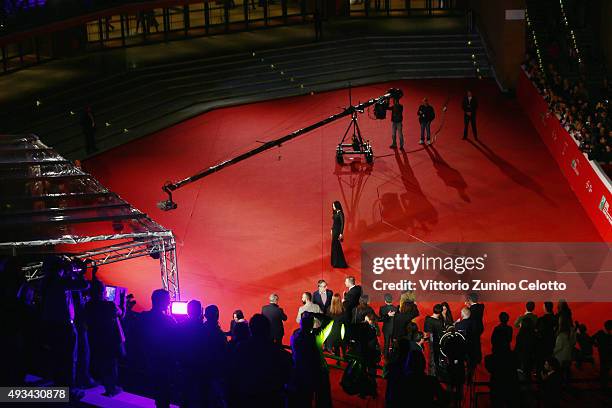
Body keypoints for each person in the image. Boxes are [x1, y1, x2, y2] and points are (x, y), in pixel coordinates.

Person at [40, 257, 89, 398]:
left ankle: (58, 388)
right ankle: (69, 391)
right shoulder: (60, 281)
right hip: (64, 325)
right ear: (60, 268)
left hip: (50, 324)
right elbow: (84, 285)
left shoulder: (46, 282)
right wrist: (78, 272)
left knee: (56, 357)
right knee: (69, 359)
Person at [228, 314, 293, 408]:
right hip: (272, 400)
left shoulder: (241, 349)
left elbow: (232, 377)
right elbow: (288, 377)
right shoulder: (280, 353)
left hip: (247, 400)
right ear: (268, 329)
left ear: (250, 329)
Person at [85, 279, 125, 397]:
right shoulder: (109, 305)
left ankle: (107, 386)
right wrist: (122, 300)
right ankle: (111, 389)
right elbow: (121, 314)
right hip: (110, 339)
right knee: (112, 363)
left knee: (102, 362)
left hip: (95, 337)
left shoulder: (88, 305)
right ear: (102, 291)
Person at [139, 289, 176, 408]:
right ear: (162, 302)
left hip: (149, 360)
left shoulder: (143, 317)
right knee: (164, 393)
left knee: (158, 392)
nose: (169, 302)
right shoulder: (169, 321)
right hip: (164, 362)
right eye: (168, 300)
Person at [290, 312, 332, 407]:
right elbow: (329, 320)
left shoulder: (294, 336)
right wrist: (315, 314)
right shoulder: (317, 336)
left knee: (304, 399)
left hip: (301, 372)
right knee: (322, 399)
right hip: (318, 371)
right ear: (312, 325)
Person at [484, 339, 520, 408]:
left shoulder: (490, 359)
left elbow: (489, 367)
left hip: (497, 388)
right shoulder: (514, 357)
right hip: (511, 387)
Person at [424, 304, 445, 376]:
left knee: (431, 357)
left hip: (428, 340)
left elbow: (425, 330)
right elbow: (441, 334)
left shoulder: (427, 318)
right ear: (440, 312)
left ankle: (431, 373)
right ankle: (433, 374)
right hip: (435, 340)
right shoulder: (439, 322)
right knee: (434, 357)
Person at [536, 301, 557, 372]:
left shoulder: (542, 320)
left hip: (543, 344)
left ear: (545, 308)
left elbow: (538, 332)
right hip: (553, 343)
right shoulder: (556, 318)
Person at [593, 320, 611, 390]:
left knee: (604, 368)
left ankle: (603, 384)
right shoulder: (608, 335)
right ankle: (604, 385)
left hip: (602, 353)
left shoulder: (600, 333)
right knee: (605, 369)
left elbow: (591, 339)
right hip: (606, 354)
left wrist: (597, 345)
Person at [378, 293, 397, 358]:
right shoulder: (396, 308)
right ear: (392, 300)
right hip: (394, 329)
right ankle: (393, 355)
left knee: (386, 343)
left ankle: (385, 356)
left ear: (385, 301)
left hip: (386, 329)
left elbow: (381, 318)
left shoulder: (382, 308)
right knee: (394, 343)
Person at [331, 201, 348, 268]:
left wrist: (341, 233)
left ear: (337, 206)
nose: (333, 207)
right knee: (335, 246)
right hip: (334, 231)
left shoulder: (340, 213)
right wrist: (331, 229)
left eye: (334, 206)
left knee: (335, 246)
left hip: (337, 231)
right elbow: (334, 223)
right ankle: (335, 262)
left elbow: (342, 224)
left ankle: (339, 263)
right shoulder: (336, 213)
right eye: (332, 206)